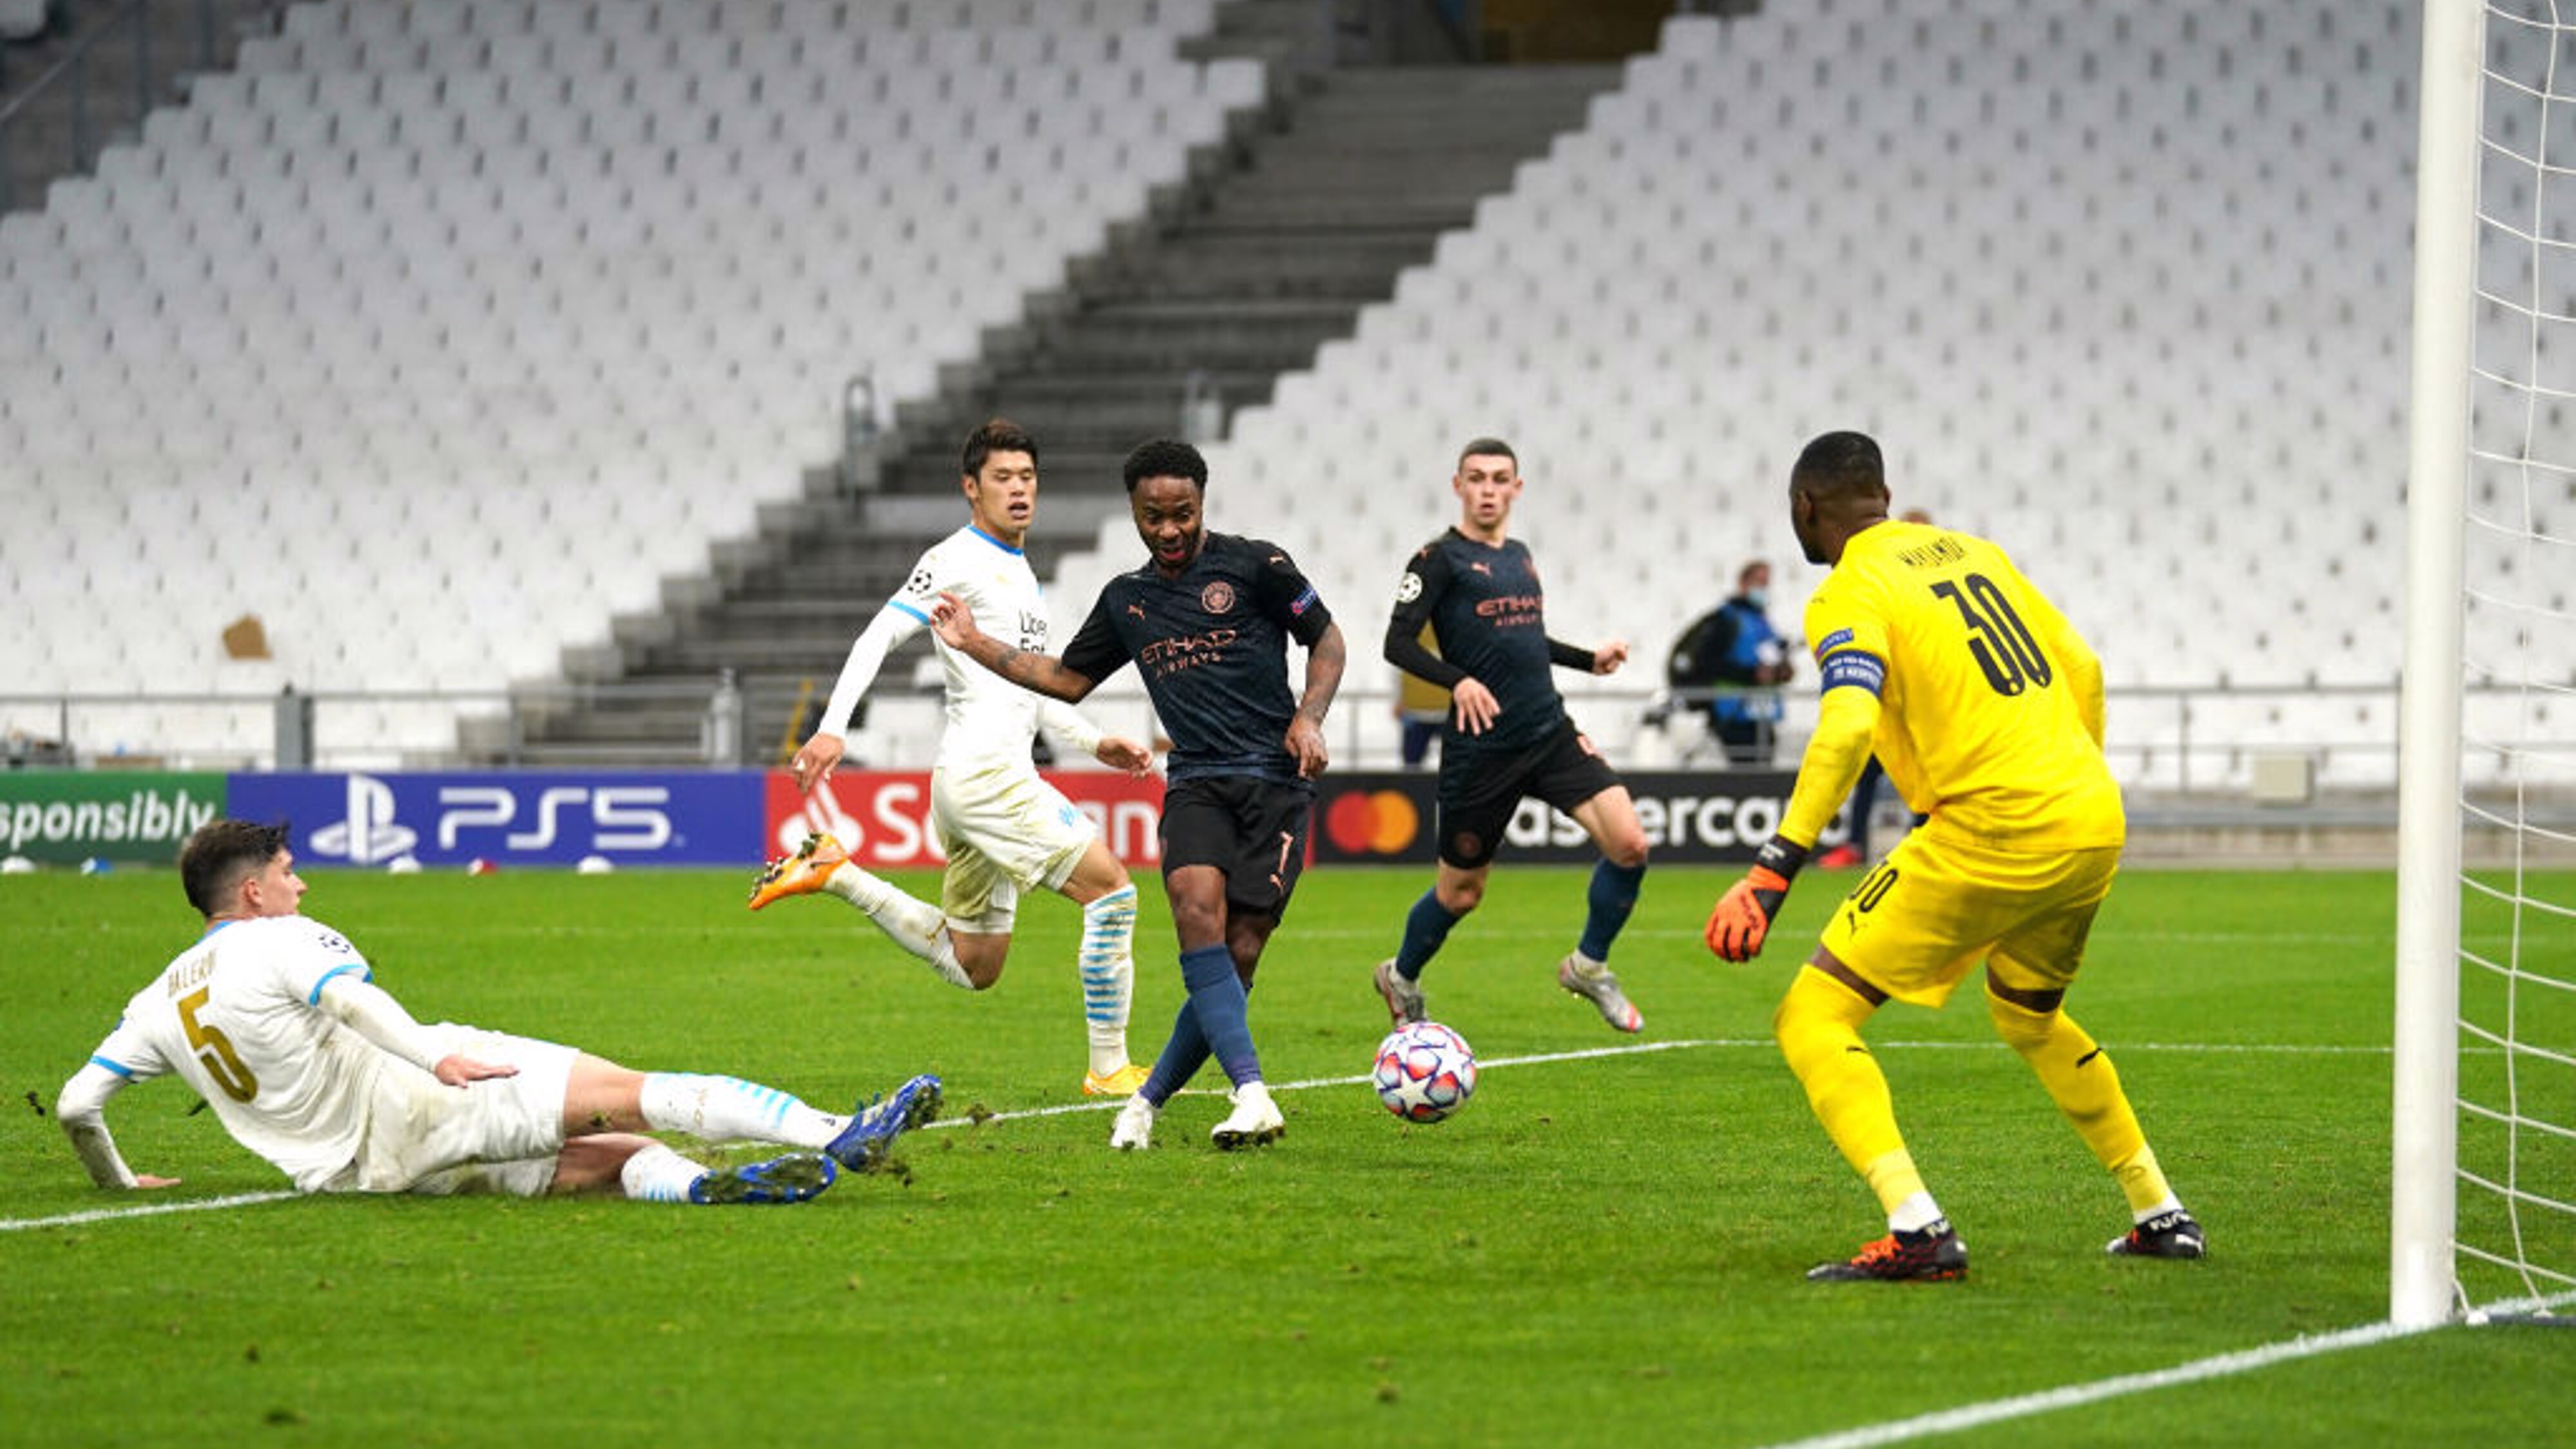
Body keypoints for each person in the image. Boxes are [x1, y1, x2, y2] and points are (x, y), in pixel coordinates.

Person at [1704, 431, 2202, 1281]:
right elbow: (2083, 665)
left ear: (1805, 509)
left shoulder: (1849, 588)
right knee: (2029, 1015)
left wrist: (1772, 867)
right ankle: (2159, 1208)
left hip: (1991, 826)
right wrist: (2068, 779)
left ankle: (1917, 1228)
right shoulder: (1978, 552)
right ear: (1885, 493)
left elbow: (1851, 721)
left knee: (1813, 1014)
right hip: (2089, 813)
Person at [57, 819, 941, 1205]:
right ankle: (838, 1134)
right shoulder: (279, 937)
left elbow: (75, 1106)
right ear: (252, 891)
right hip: (420, 1091)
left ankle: (701, 1187)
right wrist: (435, 1058)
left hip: (366, 1176)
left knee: (618, 1156)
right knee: (636, 1093)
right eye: (289, 872)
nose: (302, 882)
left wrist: (121, 1183)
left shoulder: (158, 999)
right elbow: (354, 1001)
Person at [929, 438, 1347, 1151]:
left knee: (1240, 952)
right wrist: (973, 644)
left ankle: (1146, 1103)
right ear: (1134, 513)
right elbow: (1064, 679)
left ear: (1201, 504)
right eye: (1153, 517)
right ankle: (1252, 1094)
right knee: (1193, 910)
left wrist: (1308, 716)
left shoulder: (1256, 564)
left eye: (1181, 513)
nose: (1169, 530)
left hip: (1276, 785)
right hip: (1196, 784)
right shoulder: (1129, 599)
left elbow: (1328, 640)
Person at [750, 418, 1157, 1099]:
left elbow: (1024, 685)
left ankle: (836, 873)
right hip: (988, 777)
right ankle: (1109, 1068)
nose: (1019, 489)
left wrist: (1091, 741)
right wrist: (831, 728)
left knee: (976, 965)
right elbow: (879, 635)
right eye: (1002, 478)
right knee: (1112, 892)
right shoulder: (955, 559)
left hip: (974, 782)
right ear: (971, 488)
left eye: (1027, 477)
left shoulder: (1019, 572)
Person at [1372, 437, 1653, 1036]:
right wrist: (1459, 681)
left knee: (1630, 844)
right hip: (1482, 748)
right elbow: (1396, 643)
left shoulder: (1520, 555)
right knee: (1461, 894)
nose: (1489, 489)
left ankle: (1588, 965)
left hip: (1548, 731)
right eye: (1477, 479)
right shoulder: (1436, 560)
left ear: (1517, 488)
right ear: (1459, 487)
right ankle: (1400, 976)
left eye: (1500, 479)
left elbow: (1528, 640)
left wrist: (1589, 659)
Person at [1672, 560, 1795, 766]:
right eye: (1759, 583)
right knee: (1746, 776)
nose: (1764, 590)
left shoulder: (1761, 620)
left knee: (1763, 777)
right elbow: (1707, 663)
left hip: (1762, 714)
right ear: (1744, 583)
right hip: (1734, 714)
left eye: (1767, 584)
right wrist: (1752, 674)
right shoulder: (1726, 619)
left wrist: (1782, 671)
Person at [1394, 623, 1450, 770]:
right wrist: (1397, 700)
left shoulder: (1453, 625)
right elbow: (1396, 666)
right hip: (1416, 712)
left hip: (1447, 712)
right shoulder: (1409, 628)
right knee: (1411, 765)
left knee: (1457, 763)